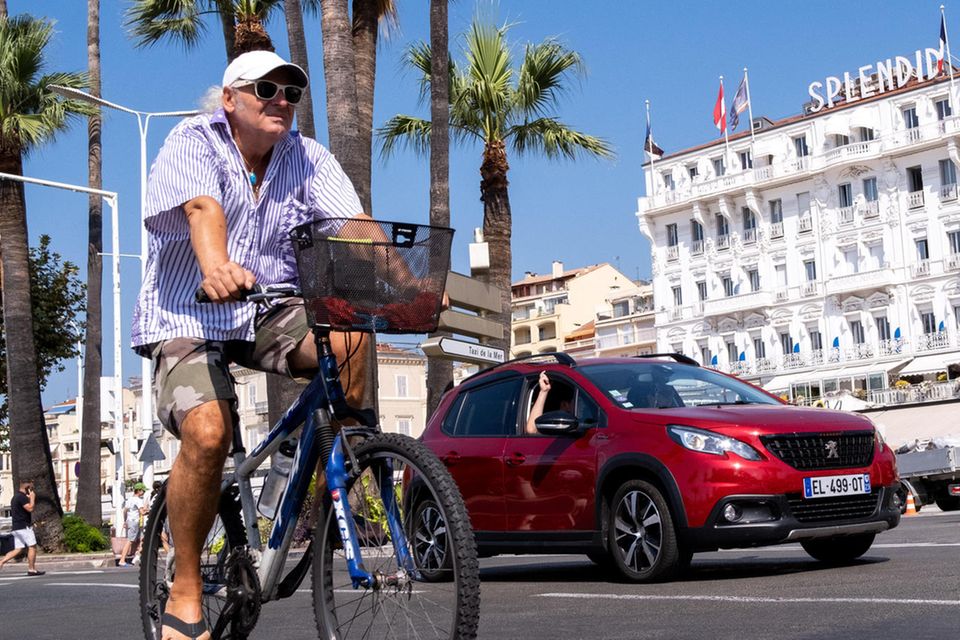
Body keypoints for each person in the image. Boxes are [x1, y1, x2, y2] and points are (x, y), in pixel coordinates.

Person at [130, 50, 370, 640]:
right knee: (209, 432)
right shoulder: (194, 140)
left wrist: (414, 284)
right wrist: (215, 265)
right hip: (190, 308)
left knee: (353, 336)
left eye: (292, 92)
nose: (282, 101)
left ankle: (323, 477)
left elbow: (355, 229)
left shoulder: (308, 156)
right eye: (267, 89)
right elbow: (202, 206)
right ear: (230, 98)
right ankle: (186, 587)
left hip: (268, 309)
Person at [0, 480, 44, 576]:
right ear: (27, 487)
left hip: (16, 527)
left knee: (18, 549)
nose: (32, 489)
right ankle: (31, 569)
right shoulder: (21, 497)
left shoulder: (15, 497)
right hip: (24, 527)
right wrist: (32, 498)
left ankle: (1, 562)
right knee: (32, 547)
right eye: (31, 487)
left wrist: (28, 498)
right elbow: (30, 508)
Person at [119, 482, 148, 567]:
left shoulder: (130, 499)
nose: (144, 493)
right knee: (130, 541)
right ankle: (122, 560)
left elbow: (125, 510)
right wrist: (149, 511)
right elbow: (142, 512)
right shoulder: (138, 500)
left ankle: (135, 557)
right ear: (138, 491)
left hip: (130, 521)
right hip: (135, 522)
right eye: (143, 491)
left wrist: (125, 521)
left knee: (137, 540)